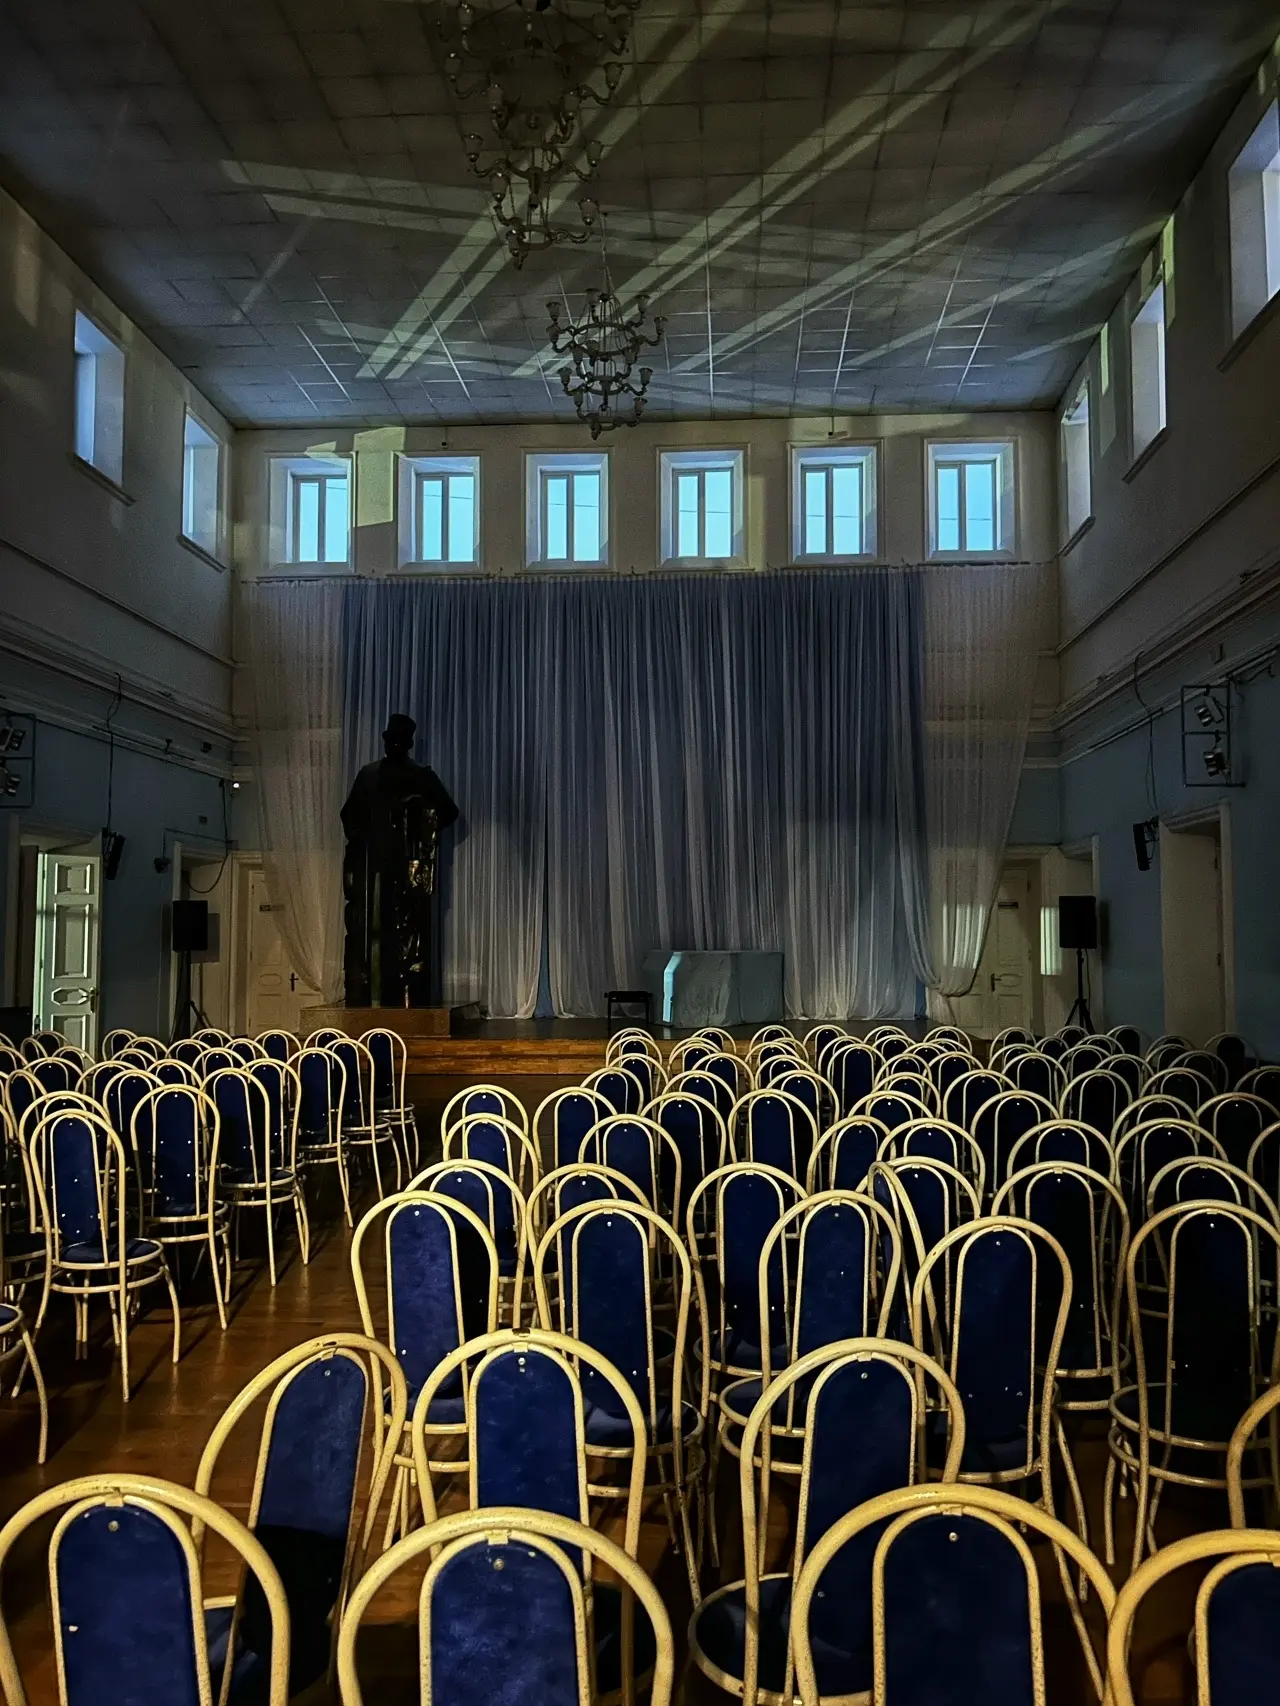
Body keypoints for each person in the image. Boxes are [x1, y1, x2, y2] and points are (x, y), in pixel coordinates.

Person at [340, 714, 458, 1007]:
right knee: (368, 931)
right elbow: (349, 816)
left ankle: (407, 995)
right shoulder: (368, 775)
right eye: (390, 739)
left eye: (398, 740)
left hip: (407, 868)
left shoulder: (421, 776)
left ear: (407, 743)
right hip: (372, 867)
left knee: (408, 935)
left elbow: (447, 812)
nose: (393, 744)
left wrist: (419, 824)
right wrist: (366, 840)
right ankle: (367, 991)